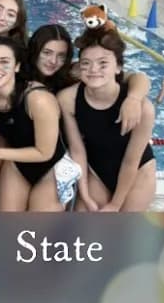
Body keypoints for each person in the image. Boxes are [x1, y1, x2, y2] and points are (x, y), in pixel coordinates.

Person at [0, 36, 66, 211]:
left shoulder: (38, 99)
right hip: (17, 162)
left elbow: (45, 152)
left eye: (4, 62)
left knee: (38, 231)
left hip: (51, 166)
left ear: (17, 66)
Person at [58, 27, 156, 211]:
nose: (93, 69)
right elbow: (78, 150)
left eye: (103, 63)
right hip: (97, 171)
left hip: (137, 172)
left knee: (123, 232)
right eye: (86, 63)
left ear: (118, 67)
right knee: (85, 227)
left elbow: (131, 160)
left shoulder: (143, 109)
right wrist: (85, 194)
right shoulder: (67, 99)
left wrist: (115, 204)